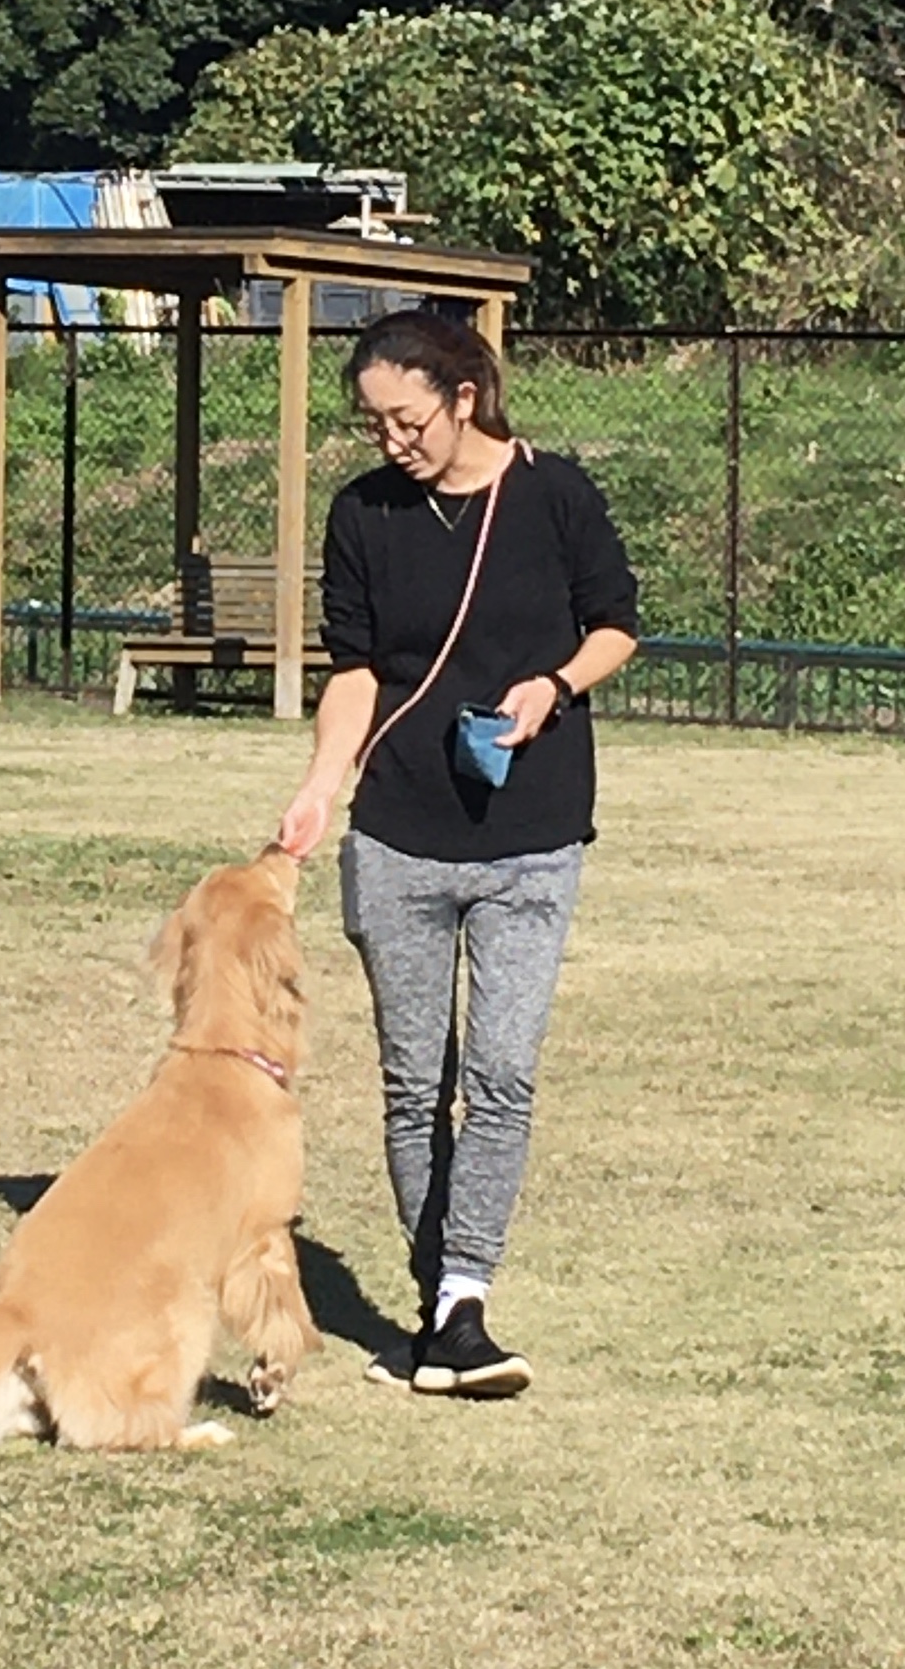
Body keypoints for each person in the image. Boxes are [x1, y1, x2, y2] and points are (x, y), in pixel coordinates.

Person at [278, 310, 639, 1399]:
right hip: (400, 835)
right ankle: (440, 1306)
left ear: (463, 397)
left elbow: (616, 624)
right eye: (374, 423)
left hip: (533, 839)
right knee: (413, 1085)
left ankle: (462, 1300)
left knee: (501, 1074)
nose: (392, 440)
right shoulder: (363, 514)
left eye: (407, 418)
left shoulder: (557, 495)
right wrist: (319, 785)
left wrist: (554, 686)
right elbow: (355, 670)